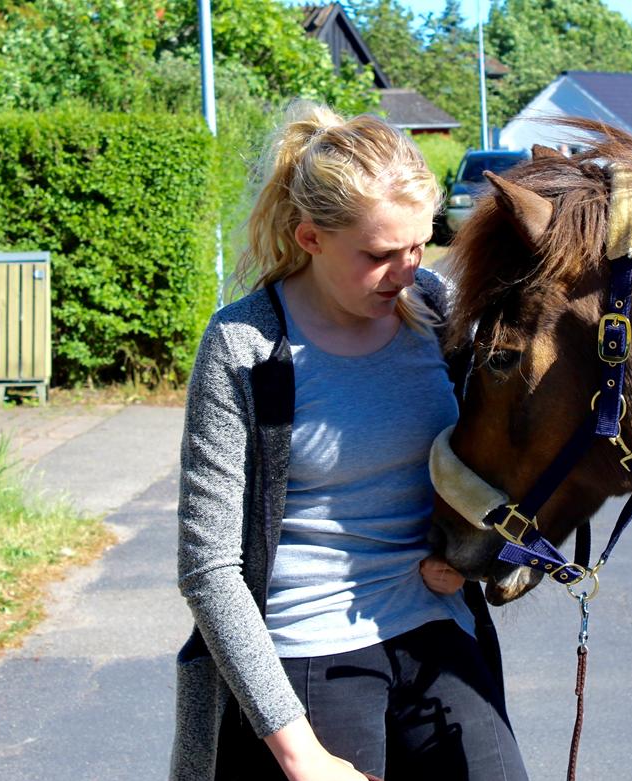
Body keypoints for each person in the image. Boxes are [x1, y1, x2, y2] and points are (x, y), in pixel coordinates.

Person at [170, 102, 528, 781]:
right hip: (304, 648)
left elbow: (505, 467)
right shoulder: (243, 345)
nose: (407, 269)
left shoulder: (437, 309)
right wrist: (301, 756)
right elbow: (208, 567)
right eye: (380, 254)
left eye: (421, 244)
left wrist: (493, 561)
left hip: (433, 624)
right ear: (310, 239)